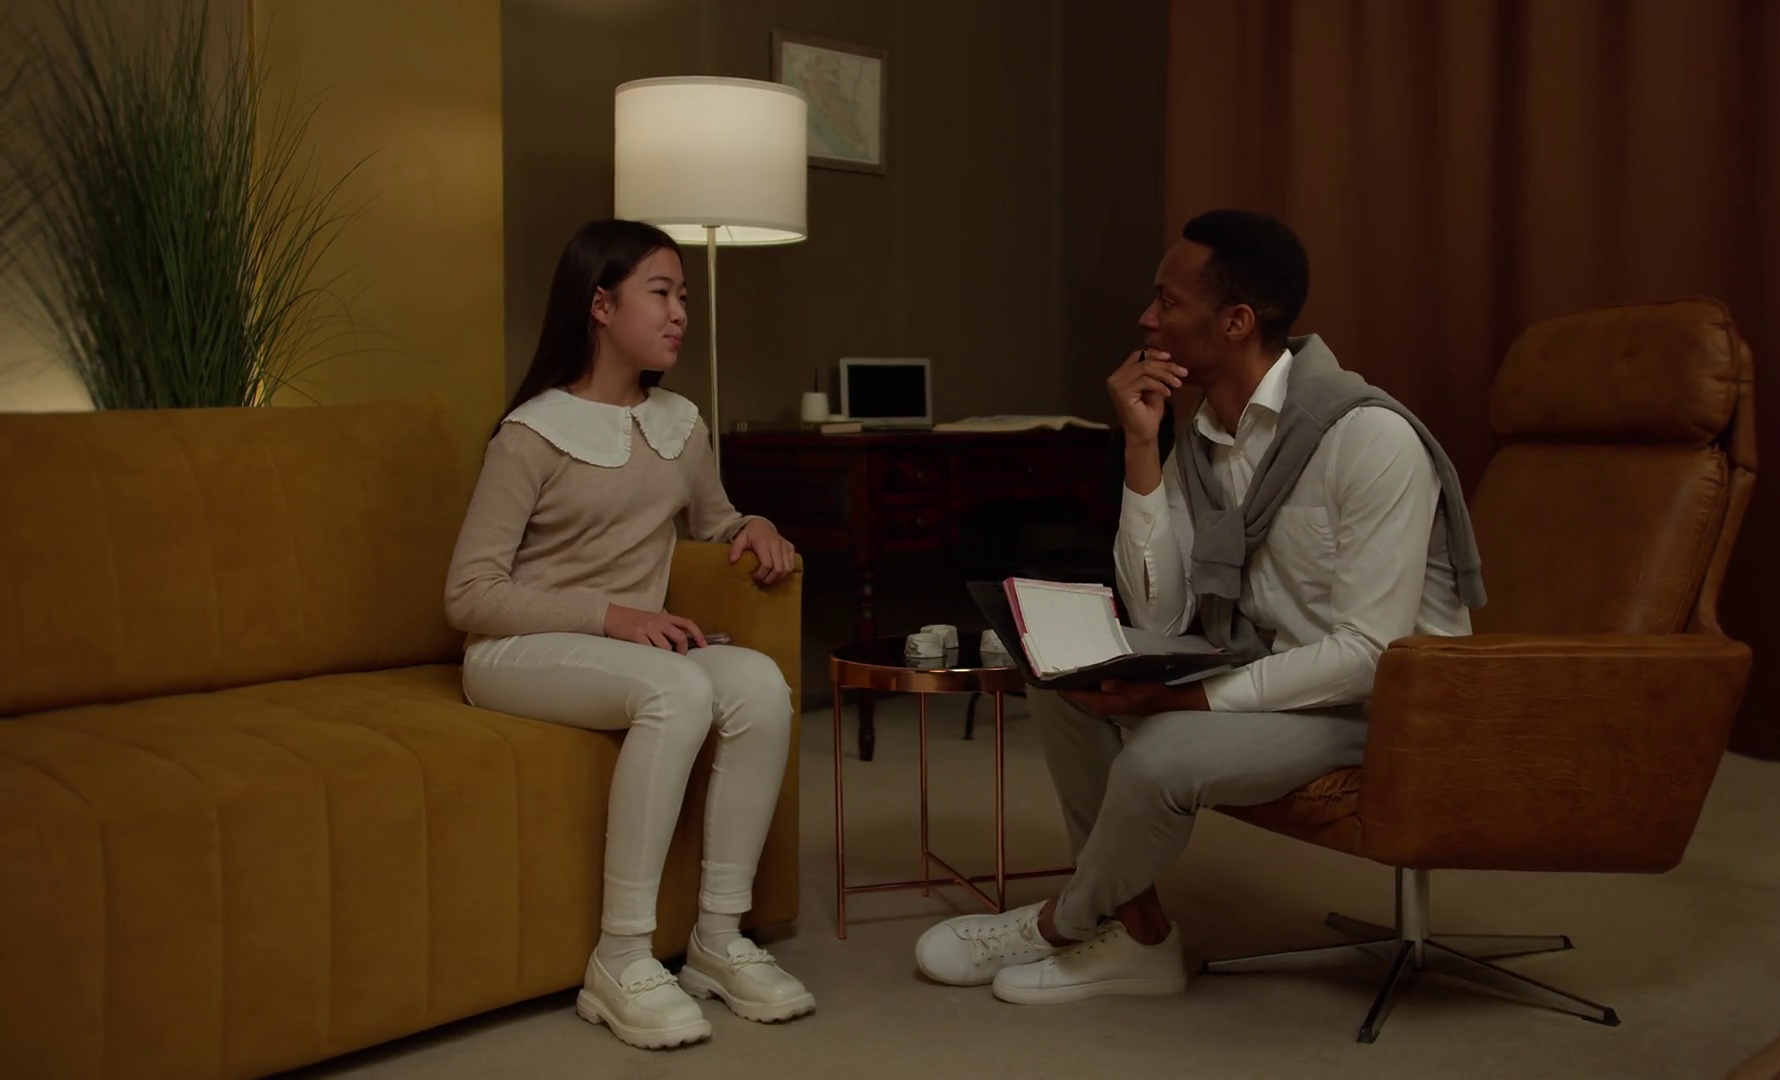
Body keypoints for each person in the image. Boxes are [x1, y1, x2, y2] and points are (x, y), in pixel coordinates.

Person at [914, 208, 1486, 1005]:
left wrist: (1186, 700)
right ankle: (1140, 937)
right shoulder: (1208, 438)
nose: (1147, 319)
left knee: (1161, 755)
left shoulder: (1367, 437)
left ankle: (1061, 922)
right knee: (1065, 678)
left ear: (1236, 321)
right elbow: (1161, 615)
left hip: (1381, 706)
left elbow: (1370, 656)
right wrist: (1142, 448)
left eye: (1167, 302)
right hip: (1271, 671)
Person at [445, 219, 812, 1050]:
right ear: (601, 305)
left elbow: (714, 519)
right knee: (677, 688)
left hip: (624, 653)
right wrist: (613, 616)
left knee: (758, 684)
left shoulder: (681, 424)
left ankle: (718, 939)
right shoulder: (531, 434)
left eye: (683, 295)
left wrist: (752, 526)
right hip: (517, 653)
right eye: (661, 293)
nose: (680, 312)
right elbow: (470, 595)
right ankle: (620, 957)